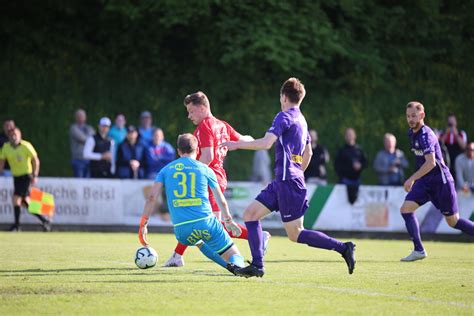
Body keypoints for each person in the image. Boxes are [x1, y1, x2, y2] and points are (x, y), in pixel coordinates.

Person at [221, 78, 356, 278]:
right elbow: (308, 153)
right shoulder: (302, 120)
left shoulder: (283, 117)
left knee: (296, 233)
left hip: (288, 182)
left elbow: (267, 143)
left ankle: (343, 248)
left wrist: (236, 144)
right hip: (284, 181)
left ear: (284, 97)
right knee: (250, 214)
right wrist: (296, 172)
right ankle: (257, 265)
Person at [163, 91, 270, 267]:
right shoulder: (223, 125)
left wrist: (195, 176)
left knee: (210, 224)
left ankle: (256, 236)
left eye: (191, 111)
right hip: (218, 177)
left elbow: (208, 156)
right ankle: (177, 255)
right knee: (199, 220)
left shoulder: (205, 126)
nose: (189, 116)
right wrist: (260, 142)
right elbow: (244, 139)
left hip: (208, 179)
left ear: (202, 107)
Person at [138, 133, 245, 274]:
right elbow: (221, 200)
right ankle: (237, 266)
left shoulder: (166, 170)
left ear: (178, 151)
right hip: (206, 222)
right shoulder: (206, 169)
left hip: (181, 230)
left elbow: (151, 197)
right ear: (197, 149)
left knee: (199, 241)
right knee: (234, 255)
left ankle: (230, 268)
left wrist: (143, 224)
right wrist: (228, 220)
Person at [400, 102, 473, 262]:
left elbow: (431, 163)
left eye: (414, 116)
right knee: (406, 209)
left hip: (441, 183)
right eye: (408, 116)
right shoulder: (411, 133)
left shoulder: (426, 135)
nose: (410, 119)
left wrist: (412, 178)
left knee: (453, 222)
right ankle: (419, 250)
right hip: (426, 182)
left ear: (422, 115)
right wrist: (417, 179)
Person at [0, 128, 51, 232]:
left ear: (20, 136)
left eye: (15, 135)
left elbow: (35, 160)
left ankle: (17, 225)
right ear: (9, 137)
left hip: (26, 176)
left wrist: (35, 175)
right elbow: (2, 161)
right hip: (16, 177)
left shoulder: (26, 146)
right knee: (24, 202)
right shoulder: (6, 147)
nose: (13, 137)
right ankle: (44, 220)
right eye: (11, 135)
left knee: (16, 198)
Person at [334, 128, 368, 204]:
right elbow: (336, 165)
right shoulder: (342, 150)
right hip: (344, 181)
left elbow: (365, 163)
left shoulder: (359, 150)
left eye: (351, 134)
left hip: (357, 181)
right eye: (348, 135)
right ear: (345, 137)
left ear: (355, 136)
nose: (349, 136)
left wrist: (360, 166)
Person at [440, 114, 468, 182]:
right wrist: (446, 133)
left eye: (453, 122)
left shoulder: (461, 133)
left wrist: (456, 134)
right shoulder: (443, 133)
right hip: (446, 160)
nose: (451, 125)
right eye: (450, 122)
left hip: (458, 160)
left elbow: (464, 146)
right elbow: (440, 145)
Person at [69, 109, 95, 178]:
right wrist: (89, 139)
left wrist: (90, 139)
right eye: (79, 116)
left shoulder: (89, 128)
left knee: (88, 181)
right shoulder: (73, 128)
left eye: (83, 116)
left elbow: (94, 139)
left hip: (88, 159)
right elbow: (83, 139)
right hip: (78, 159)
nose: (81, 117)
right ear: (76, 117)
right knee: (79, 181)